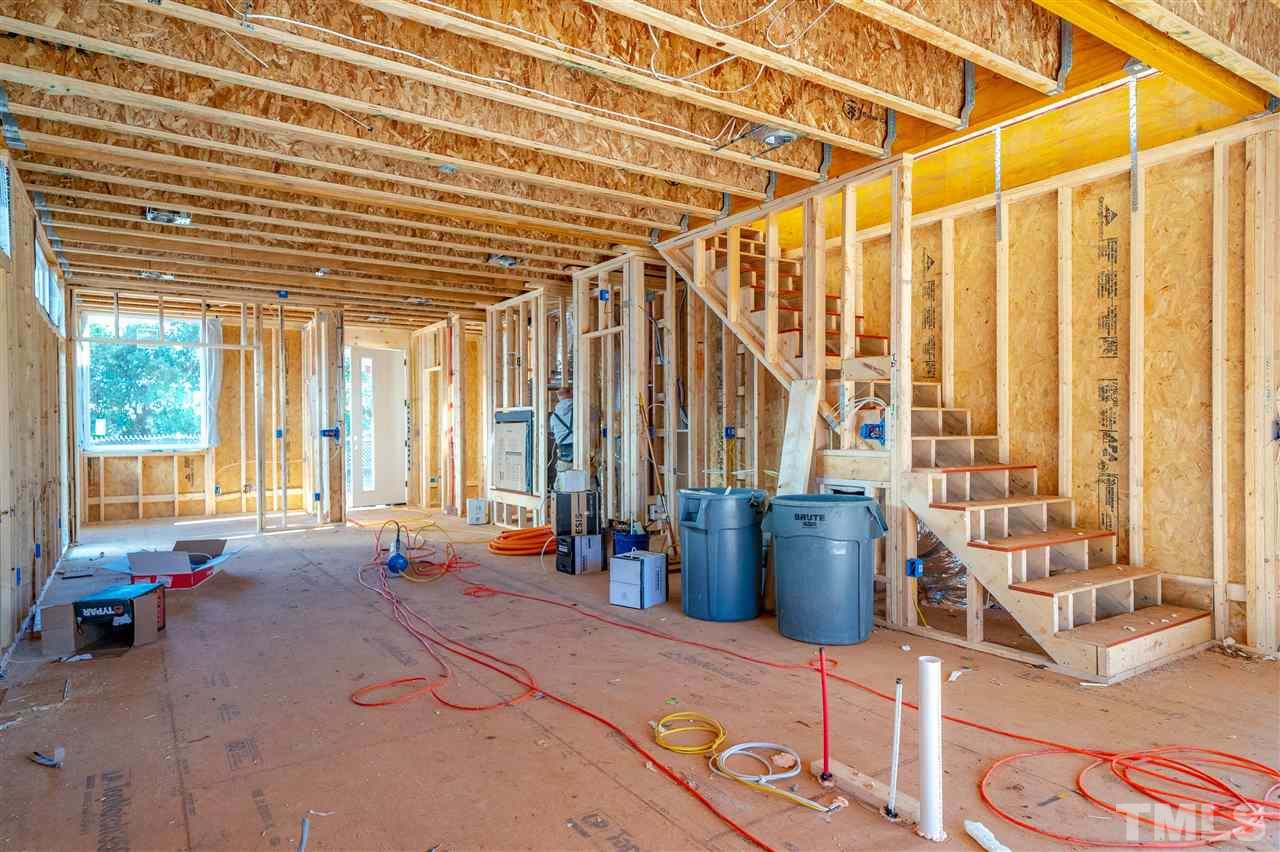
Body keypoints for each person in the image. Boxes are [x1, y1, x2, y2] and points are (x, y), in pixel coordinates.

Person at [549, 387, 574, 473]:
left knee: (562, 482)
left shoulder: (553, 417)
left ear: (559, 397)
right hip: (579, 449)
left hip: (563, 451)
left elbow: (552, 430)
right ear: (571, 393)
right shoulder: (579, 410)